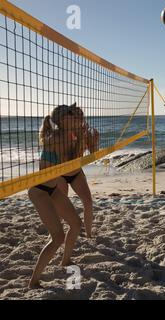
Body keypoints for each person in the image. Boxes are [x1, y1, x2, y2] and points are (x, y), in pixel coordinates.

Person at [27, 104, 82, 288]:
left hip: (53, 190)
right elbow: (70, 160)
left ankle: (65, 261)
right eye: (71, 115)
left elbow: (74, 163)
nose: (75, 117)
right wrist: (79, 135)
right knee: (57, 237)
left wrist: (81, 135)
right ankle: (33, 282)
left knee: (75, 224)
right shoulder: (56, 137)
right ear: (61, 120)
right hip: (40, 191)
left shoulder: (66, 136)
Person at [57, 104, 99, 238]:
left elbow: (93, 154)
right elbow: (71, 156)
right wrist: (81, 137)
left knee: (88, 201)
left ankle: (88, 234)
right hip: (59, 174)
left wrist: (94, 140)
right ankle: (56, 233)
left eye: (82, 117)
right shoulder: (62, 135)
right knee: (60, 206)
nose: (81, 119)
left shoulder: (84, 132)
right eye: (77, 117)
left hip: (76, 173)